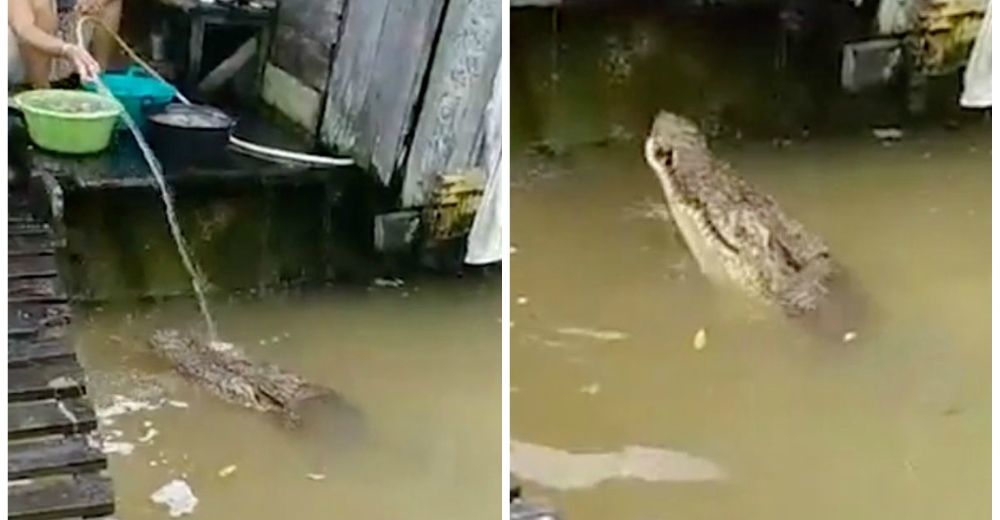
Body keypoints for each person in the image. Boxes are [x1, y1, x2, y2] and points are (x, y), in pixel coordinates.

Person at [8, 0, 122, 88]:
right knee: (41, 5)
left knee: (110, 2)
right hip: (18, 50)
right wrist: (65, 49)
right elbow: (24, 29)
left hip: (61, 37)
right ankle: (40, 92)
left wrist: (95, 3)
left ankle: (96, 81)